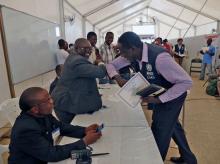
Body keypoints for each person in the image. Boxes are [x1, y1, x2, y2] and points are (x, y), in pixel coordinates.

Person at [106, 32, 197, 164]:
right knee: (173, 126)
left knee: (160, 128)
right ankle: (189, 159)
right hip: (157, 93)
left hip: (173, 95)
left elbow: (186, 82)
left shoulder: (160, 58)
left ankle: (155, 160)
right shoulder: (131, 54)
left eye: (123, 52)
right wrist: (117, 77)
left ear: (133, 48)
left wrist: (160, 99)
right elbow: (111, 65)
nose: (122, 56)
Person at [8, 87, 102, 164]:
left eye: (50, 97)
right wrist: (84, 142)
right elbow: (51, 154)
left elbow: (61, 127)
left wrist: (84, 130)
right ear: (35, 109)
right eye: (47, 100)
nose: (52, 101)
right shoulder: (26, 129)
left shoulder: (43, 114)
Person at [51, 38, 106, 123]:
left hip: (70, 101)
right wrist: (100, 63)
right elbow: (101, 72)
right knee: (74, 129)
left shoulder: (75, 57)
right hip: (66, 104)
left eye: (90, 49)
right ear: (76, 48)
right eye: (84, 48)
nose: (88, 51)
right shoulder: (77, 61)